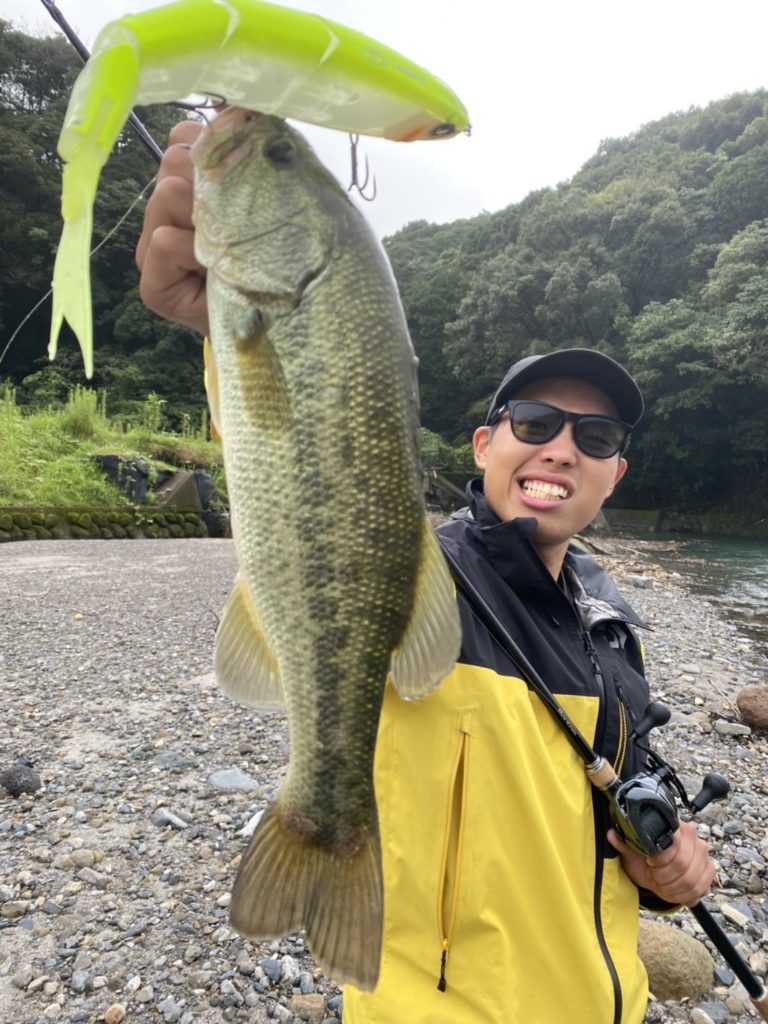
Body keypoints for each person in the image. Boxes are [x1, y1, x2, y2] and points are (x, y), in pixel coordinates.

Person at [136, 122, 715, 1024]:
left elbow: (616, 821)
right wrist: (219, 323)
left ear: (614, 474)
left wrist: (670, 868)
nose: (560, 446)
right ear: (484, 445)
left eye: (594, 438)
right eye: (533, 421)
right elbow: (304, 460)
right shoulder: (418, 573)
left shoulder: (611, 629)